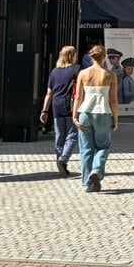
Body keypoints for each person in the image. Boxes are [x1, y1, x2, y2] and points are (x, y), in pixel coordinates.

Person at [73, 45, 119, 193]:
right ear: (104, 56)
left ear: (91, 57)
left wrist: (75, 115)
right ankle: (96, 170)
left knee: (86, 150)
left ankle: (87, 183)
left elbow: (78, 97)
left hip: (85, 112)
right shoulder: (110, 75)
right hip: (103, 112)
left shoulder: (83, 73)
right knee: (103, 146)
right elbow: (113, 99)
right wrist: (116, 118)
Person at [39, 45, 80, 177]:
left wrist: (44, 111)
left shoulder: (54, 72)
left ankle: (61, 163)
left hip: (56, 105)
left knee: (59, 136)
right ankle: (63, 159)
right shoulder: (76, 70)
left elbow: (49, 93)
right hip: (71, 105)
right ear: (72, 56)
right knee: (73, 134)